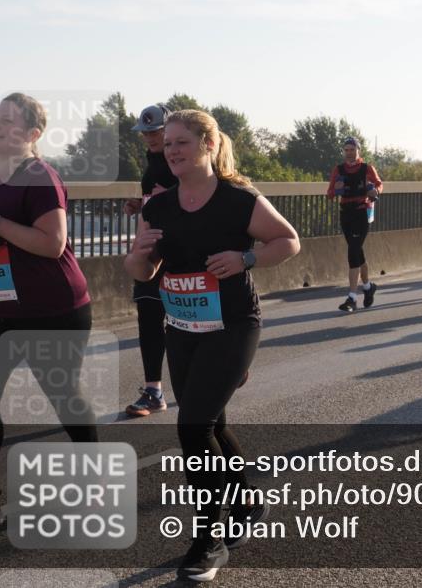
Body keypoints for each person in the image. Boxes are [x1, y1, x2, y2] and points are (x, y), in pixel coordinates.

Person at [125, 110, 300, 581]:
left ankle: (208, 539)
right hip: (182, 326)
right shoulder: (157, 207)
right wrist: (138, 256)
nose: (173, 150)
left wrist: (245, 257)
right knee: (211, 421)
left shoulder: (237, 199)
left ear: (207, 144)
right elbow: (143, 273)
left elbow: (288, 241)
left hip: (234, 325)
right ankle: (246, 500)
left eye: (183, 142)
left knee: (192, 426)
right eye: (169, 144)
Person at [0, 93, 99, 536]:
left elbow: (52, 243)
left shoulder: (40, 176)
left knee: (64, 399)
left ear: (33, 135)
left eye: (6, 121)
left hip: (52, 310)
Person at [123, 103, 178, 417]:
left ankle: (225, 367)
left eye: (155, 131)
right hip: (151, 246)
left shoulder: (182, 158)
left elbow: (200, 194)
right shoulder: (153, 160)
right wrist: (139, 204)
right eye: (145, 132)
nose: (149, 137)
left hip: (183, 248)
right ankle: (153, 391)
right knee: (148, 312)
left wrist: (167, 195)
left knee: (189, 317)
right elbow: (155, 198)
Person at [326, 138, 383, 312]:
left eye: (352, 149)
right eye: (346, 150)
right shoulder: (339, 169)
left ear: (358, 150)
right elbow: (329, 193)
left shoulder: (367, 168)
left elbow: (379, 185)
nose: (349, 152)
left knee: (353, 251)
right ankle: (368, 287)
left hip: (361, 212)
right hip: (346, 214)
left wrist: (375, 191)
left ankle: (352, 297)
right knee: (357, 250)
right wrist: (336, 189)